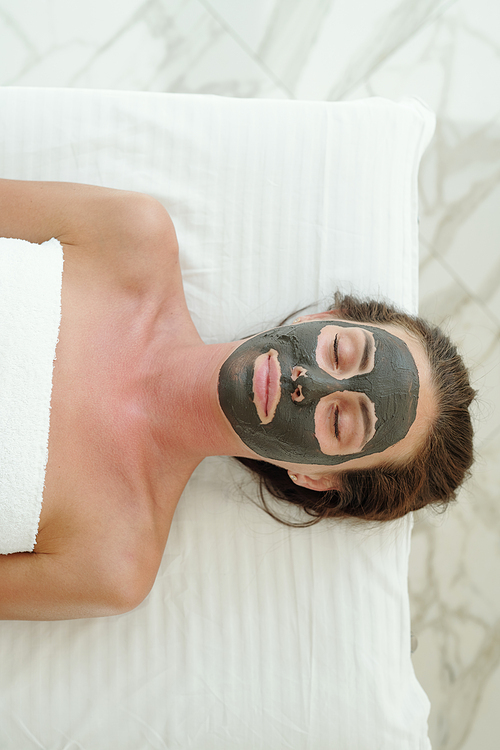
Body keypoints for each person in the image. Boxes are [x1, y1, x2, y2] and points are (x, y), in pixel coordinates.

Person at [0, 180, 474, 621]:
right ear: (323, 316)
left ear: (314, 477)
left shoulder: (114, 558)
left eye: (338, 422)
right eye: (339, 351)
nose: (308, 380)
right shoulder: (130, 236)